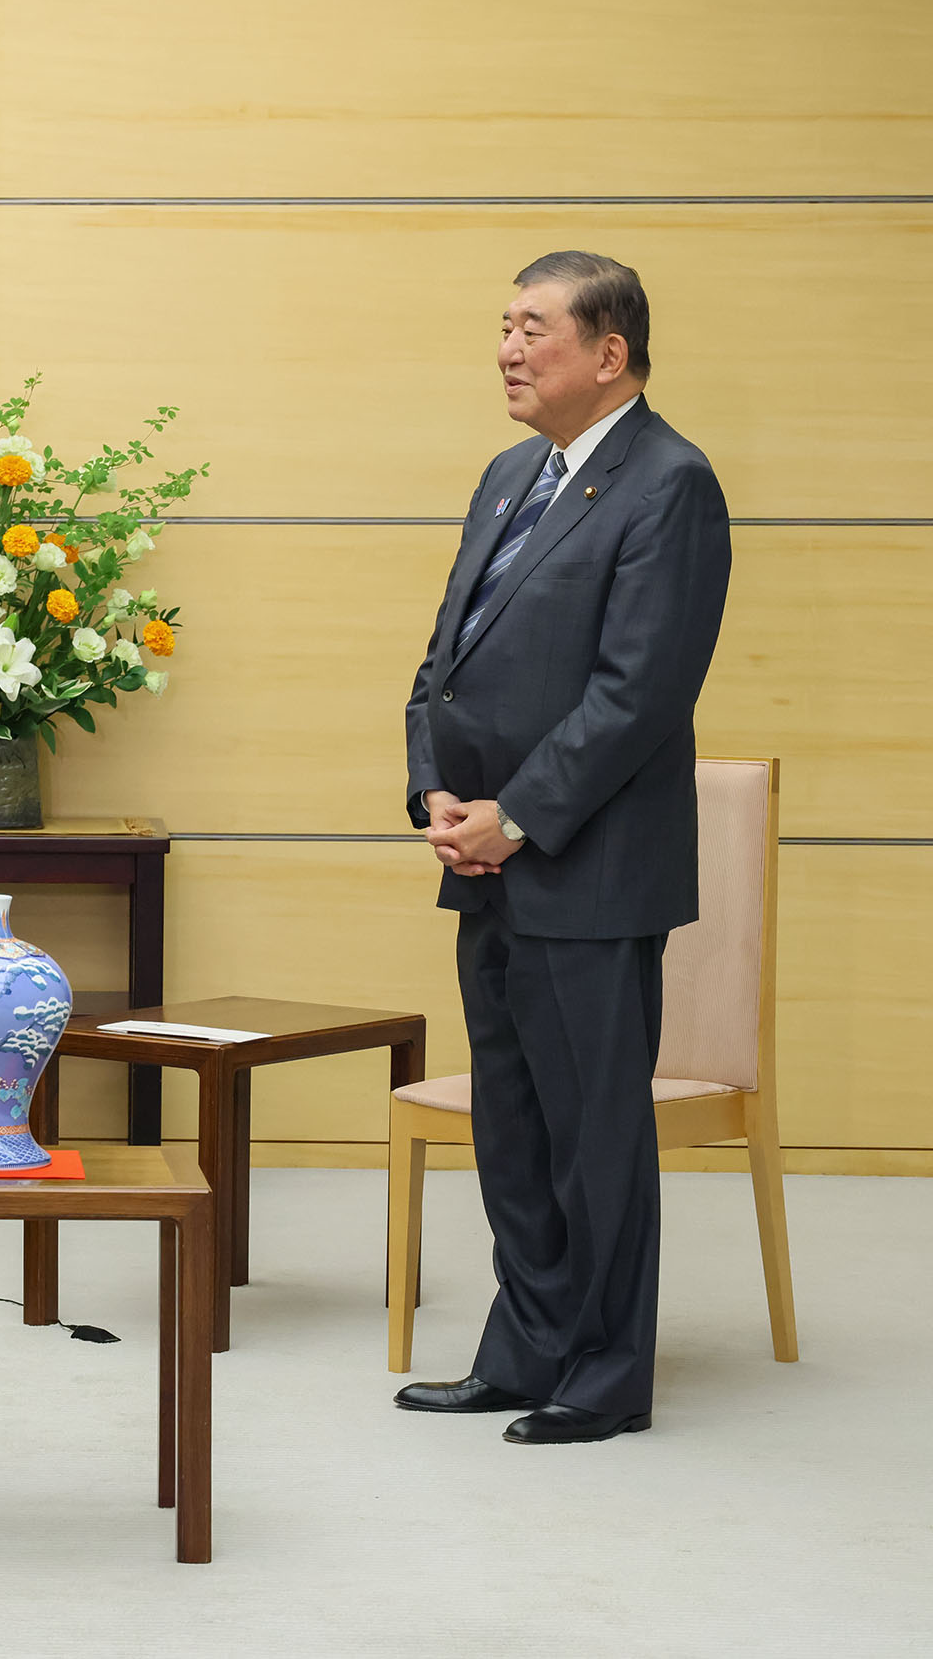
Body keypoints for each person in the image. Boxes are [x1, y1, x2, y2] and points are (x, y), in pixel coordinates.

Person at [399, 252, 731, 1444]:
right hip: (482, 858)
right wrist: (433, 791)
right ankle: (522, 1346)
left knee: (591, 1130)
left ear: (608, 353)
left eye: (531, 326)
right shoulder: (508, 474)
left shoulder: (667, 482)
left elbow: (637, 692)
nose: (505, 347)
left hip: (584, 866)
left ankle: (601, 1373)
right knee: (513, 1123)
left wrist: (517, 814)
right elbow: (446, 657)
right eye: (500, 324)